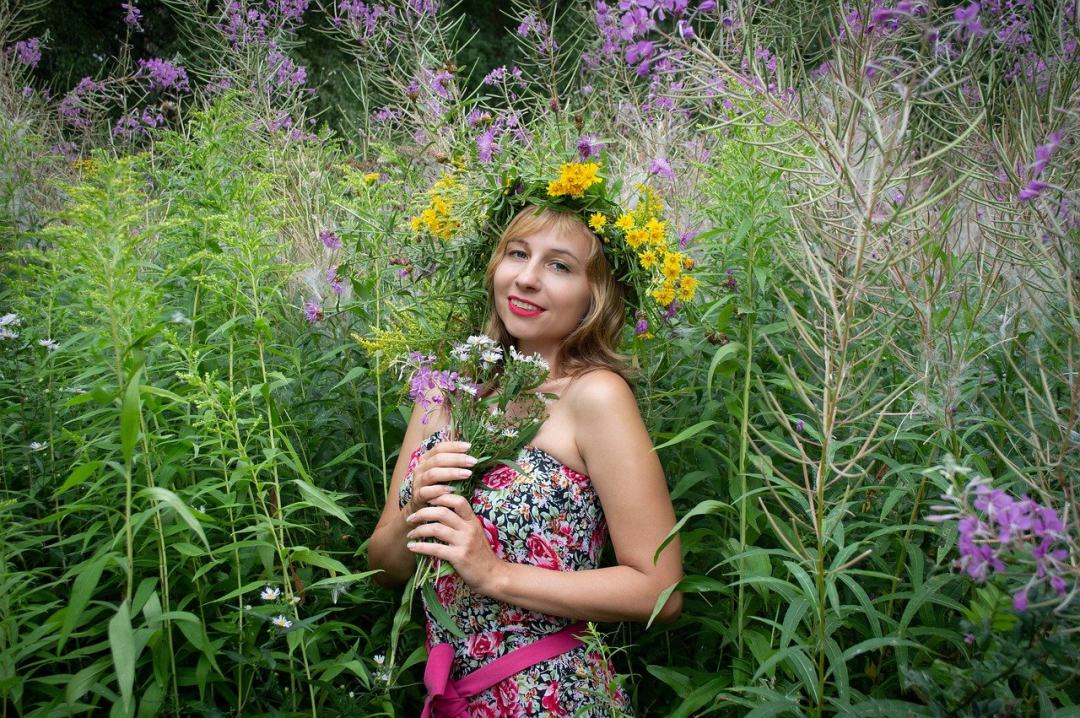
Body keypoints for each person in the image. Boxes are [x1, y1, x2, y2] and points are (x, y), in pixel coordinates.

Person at [367, 203, 684, 716]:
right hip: (451, 697)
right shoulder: (445, 396)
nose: (528, 278)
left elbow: (660, 591)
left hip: (552, 697)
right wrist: (415, 508)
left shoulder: (594, 397)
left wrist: (495, 575)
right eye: (518, 253)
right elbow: (384, 571)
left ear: (594, 295)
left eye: (560, 265)